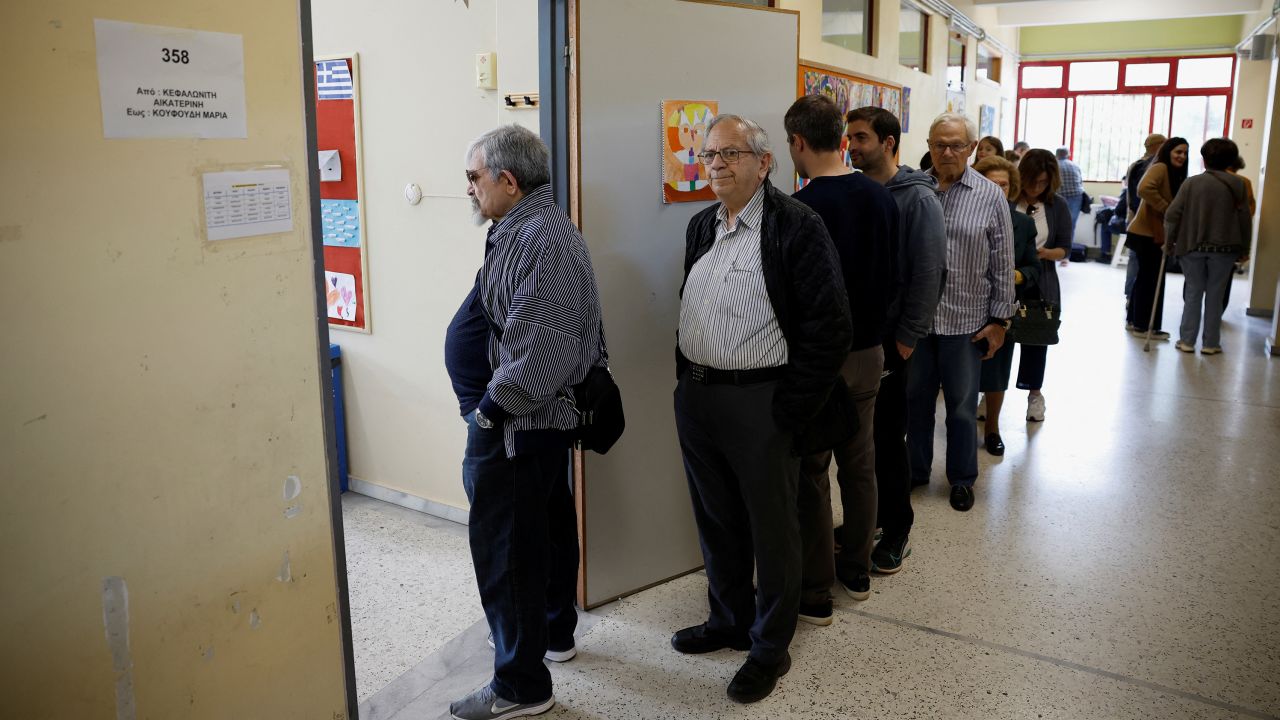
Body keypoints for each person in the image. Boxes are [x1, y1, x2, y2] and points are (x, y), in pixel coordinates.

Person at [672, 114, 852, 704]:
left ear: (763, 161)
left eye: (729, 154)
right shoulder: (702, 225)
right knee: (716, 519)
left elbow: (830, 328)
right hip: (699, 397)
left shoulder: (796, 226)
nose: (715, 165)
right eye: (708, 155)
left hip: (763, 402)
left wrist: (789, 410)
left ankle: (770, 647)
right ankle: (727, 618)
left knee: (773, 529)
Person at [447, 124, 605, 720]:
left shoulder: (541, 237)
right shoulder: (522, 228)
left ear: (507, 181)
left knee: (507, 549)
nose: (469, 189)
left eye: (474, 178)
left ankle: (520, 686)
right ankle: (550, 634)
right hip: (525, 425)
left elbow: (546, 352)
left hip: (518, 424)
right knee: (540, 532)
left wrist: (488, 413)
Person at [784, 95, 898, 623]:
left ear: (799, 143)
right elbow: (893, 276)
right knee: (860, 463)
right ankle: (856, 566)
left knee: (812, 468)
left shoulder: (801, 209)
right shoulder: (880, 197)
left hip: (817, 358)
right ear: (842, 136)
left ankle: (817, 584)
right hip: (870, 352)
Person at [844, 106, 946, 572]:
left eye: (861, 137)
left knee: (887, 436)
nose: (852, 145)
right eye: (849, 137)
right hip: (860, 336)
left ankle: (897, 528)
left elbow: (929, 272)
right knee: (859, 438)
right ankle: (868, 520)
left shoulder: (917, 199)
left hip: (893, 340)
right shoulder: (860, 191)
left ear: (888, 142)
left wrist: (907, 337)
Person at [908, 113, 1015, 512]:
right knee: (915, 402)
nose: (946, 152)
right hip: (918, 322)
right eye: (939, 144)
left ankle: (962, 479)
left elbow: (1003, 263)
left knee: (961, 407)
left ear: (972, 148)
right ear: (930, 146)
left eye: (955, 145)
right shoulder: (915, 189)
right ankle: (916, 471)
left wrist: (1000, 321)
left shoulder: (989, 195)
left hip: (966, 323)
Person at [972, 155, 1039, 455]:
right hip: (965, 305)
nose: (998, 190)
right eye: (991, 183)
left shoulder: (1022, 223)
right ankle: (960, 428)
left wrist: (1019, 275)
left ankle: (992, 429)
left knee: (997, 373)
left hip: (1002, 307)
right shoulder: (966, 213)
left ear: (1012, 189)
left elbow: (1034, 267)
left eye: (1004, 184)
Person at [1166, 138, 1253, 355]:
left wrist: (1169, 241)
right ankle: (1211, 344)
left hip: (1192, 246)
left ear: (1204, 160)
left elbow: (1172, 214)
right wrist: (1245, 248)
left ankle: (1186, 341)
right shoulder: (1239, 184)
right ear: (1231, 161)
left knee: (1194, 292)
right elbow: (1245, 219)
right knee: (1216, 294)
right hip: (1225, 249)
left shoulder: (1191, 183)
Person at [1125, 137, 1189, 340]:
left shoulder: (1173, 172)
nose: (1181, 156)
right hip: (1146, 233)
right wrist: (1167, 208)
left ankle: (1136, 321)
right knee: (1151, 279)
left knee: (1146, 277)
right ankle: (1144, 326)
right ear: (1168, 151)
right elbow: (1143, 189)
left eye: (1185, 153)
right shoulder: (1160, 167)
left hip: (1148, 232)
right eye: (1178, 151)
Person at [1122, 135, 1166, 313]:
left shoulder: (1138, 165)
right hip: (1142, 221)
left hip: (1136, 219)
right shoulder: (1146, 166)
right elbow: (1138, 196)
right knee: (1137, 261)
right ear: (1157, 146)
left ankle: (1131, 295)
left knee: (1136, 260)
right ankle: (1132, 296)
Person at [1054, 146, 1085, 239]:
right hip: (1076, 197)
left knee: (1055, 225)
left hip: (1058, 197)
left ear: (1056, 155)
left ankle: (1055, 250)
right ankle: (1067, 251)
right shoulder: (1075, 166)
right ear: (1068, 155)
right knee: (1071, 225)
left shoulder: (1054, 166)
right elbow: (1080, 183)